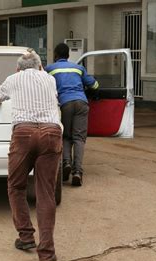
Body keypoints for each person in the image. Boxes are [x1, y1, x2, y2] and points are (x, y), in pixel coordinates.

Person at [0, 50, 61, 261]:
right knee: (46, 192)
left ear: (17, 68)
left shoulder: (12, 79)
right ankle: (47, 253)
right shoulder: (50, 79)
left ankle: (26, 236)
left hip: (23, 133)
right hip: (51, 133)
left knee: (16, 186)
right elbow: (42, 75)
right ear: (39, 66)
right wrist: (39, 68)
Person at [45, 43, 99, 186]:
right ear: (68, 55)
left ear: (56, 55)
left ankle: (66, 163)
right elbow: (94, 85)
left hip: (64, 104)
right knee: (79, 138)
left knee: (66, 136)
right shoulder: (79, 68)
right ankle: (77, 172)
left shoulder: (49, 69)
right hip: (82, 103)